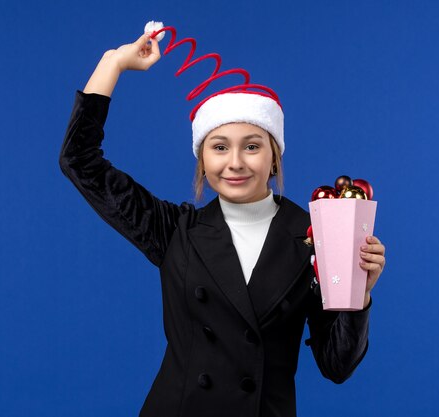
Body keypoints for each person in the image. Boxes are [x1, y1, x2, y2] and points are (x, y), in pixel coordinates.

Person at [59, 29, 386, 417]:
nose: (234, 162)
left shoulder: (314, 234)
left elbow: (337, 367)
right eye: (219, 147)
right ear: (202, 160)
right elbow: (79, 161)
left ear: (274, 156)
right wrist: (113, 62)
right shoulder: (174, 229)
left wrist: (358, 295)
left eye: (252, 145)